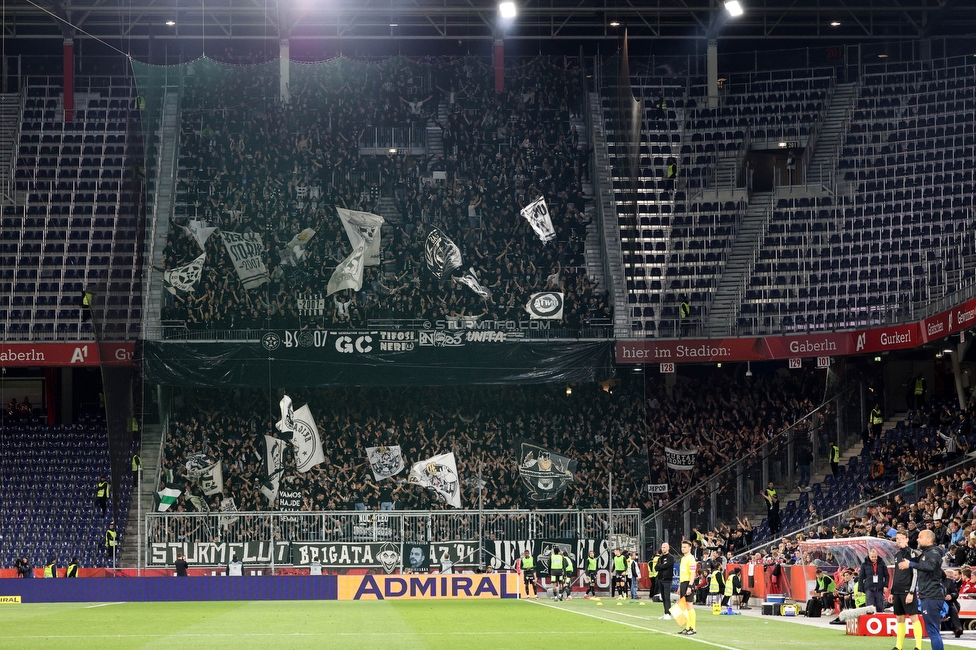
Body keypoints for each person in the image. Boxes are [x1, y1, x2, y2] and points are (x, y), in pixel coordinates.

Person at [898, 529, 944, 650]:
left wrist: (911, 565)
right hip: (928, 595)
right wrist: (905, 549)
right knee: (933, 630)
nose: (917, 539)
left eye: (920, 536)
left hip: (932, 596)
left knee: (933, 631)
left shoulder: (934, 552)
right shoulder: (927, 553)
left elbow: (930, 566)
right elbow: (919, 561)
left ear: (929, 539)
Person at [890, 531, 924, 650]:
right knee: (899, 618)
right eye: (897, 539)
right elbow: (896, 574)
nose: (898, 541)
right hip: (898, 591)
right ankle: (898, 647)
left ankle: (918, 646)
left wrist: (911, 592)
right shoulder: (897, 554)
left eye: (901, 538)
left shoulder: (913, 553)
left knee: (914, 617)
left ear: (907, 539)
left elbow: (915, 573)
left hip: (907, 591)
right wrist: (892, 591)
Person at [676, 539, 697, 635]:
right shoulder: (683, 558)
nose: (683, 549)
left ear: (690, 548)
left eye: (685, 547)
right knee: (684, 606)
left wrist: (690, 586)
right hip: (683, 583)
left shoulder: (691, 558)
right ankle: (687, 627)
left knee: (689, 605)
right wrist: (680, 586)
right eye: (682, 547)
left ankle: (693, 628)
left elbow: (692, 573)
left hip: (689, 583)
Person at [857, 547, 888, 613]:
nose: (874, 558)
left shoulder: (882, 563)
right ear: (869, 556)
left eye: (875, 556)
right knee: (869, 607)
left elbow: (887, 575)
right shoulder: (864, 564)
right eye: (872, 557)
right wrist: (860, 589)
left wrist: (886, 585)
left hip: (879, 588)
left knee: (880, 607)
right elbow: (861, 578)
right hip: (869, 589)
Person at [656, 542, 676, 619]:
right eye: (662, 547)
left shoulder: (670, 557)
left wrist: (661, 566)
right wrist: (662, 566)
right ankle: (665, 612)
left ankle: (668, 613)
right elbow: (656, 567)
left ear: (668, 548)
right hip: (660, 579)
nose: (663, 549)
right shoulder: (660, 558)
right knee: (663, 597)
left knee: (667, 596)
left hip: (667, 579)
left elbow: (667, 565)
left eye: (664, 547)